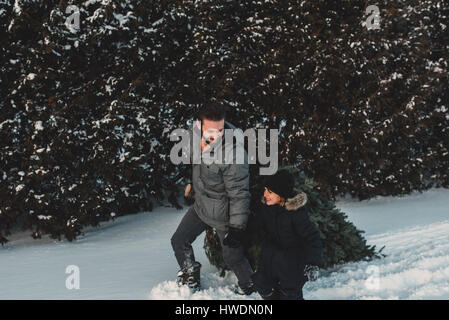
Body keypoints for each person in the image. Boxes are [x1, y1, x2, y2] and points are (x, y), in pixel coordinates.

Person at [170, 102, 256, 295]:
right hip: (201, 206)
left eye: (220, 129)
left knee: (232, 256)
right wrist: (194, 183)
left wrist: (237, 227)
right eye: (210, 130)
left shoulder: (234, 153)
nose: (216, 135)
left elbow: (239, 193)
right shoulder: (195, 136)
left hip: (223, 214)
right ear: (200, 126)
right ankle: (190, 273)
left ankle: (250, 285)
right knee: (179, 240)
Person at [252, 169, 323, 300]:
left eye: (270, 191)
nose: (265, 194)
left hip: (291, 264)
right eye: (265, 189)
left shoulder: (296, 213)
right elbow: (258, 229)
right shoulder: (267, 208)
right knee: (262, 284)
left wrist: (313, 263)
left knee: (290, 294)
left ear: (282, 194)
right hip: (270, 259)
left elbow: (312, 237)